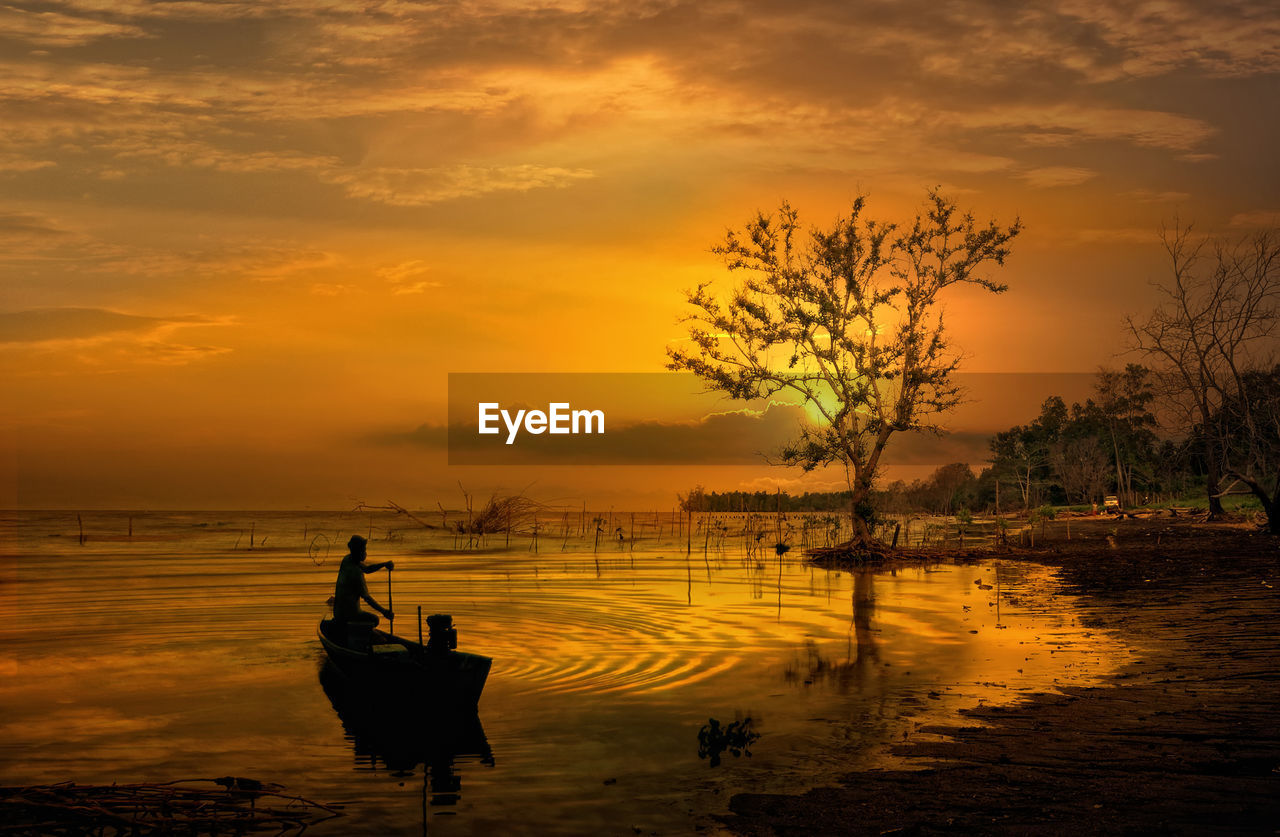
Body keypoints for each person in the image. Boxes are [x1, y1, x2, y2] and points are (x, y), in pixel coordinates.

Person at [333, 535, 394, 632]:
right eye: (363, 550)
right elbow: (367, 598)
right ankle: (358, 633)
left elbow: (367, 569)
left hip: (338, 613)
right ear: (358, 551)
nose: (365, 553)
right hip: (349, 615)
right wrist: (384, 612)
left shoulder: (347, 559)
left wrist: (384, 564)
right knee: (374, 620)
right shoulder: (356, 572)